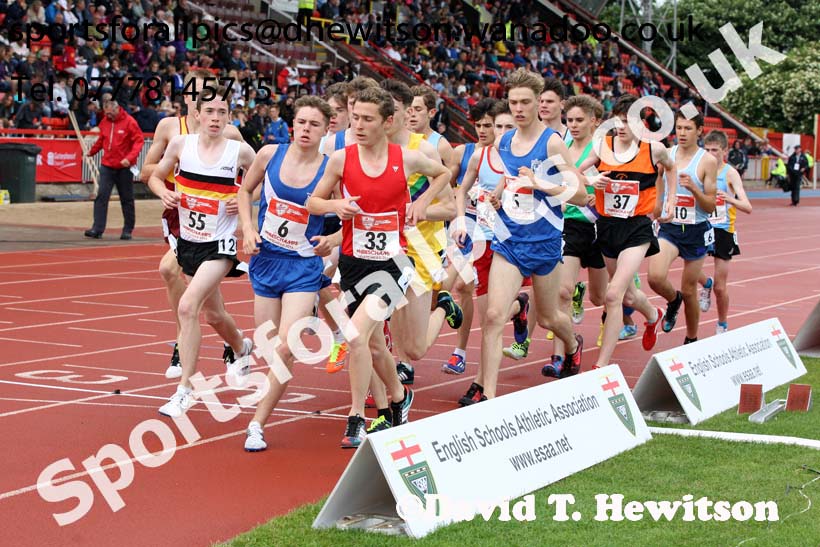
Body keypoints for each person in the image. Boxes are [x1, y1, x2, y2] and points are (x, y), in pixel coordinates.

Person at [306, 87, 451, 448]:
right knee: (371, 345)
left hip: (393, 263)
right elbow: (312, 202)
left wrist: (422, 203)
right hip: (355, 263)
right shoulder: (341, 159)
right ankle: (400, 398)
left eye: (367, 119)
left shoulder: (407, 158)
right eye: (355, 117)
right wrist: (337, 205)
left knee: (355, 334)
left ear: (387, 122)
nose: (358, 125)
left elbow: (443, 175)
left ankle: (355, 417)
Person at [469, 68, 587, 403]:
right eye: (513, 102)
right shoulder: (505, 141)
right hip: (509, 239)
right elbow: (510, 176)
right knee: (493, 316)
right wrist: (501, 191)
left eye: (525, 102)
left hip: (545, 241)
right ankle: (489, 397)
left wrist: (540, 185)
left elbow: (579, 195)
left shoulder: (550, 142)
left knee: (550, 317)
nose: (518, 109)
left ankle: (573, 343)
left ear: (539, 104)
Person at [148, 89, 257, 418]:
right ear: (197, 115)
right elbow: (153, 175)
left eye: (221, 113)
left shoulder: (240, 152)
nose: (215, 118)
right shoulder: (181, 146)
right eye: (209, 111)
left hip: (220, 246)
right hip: (189, 243)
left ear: (228, 118)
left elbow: (263, 185)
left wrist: (240, 199)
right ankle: (240, 346)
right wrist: (163, 195)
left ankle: (184, 389)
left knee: (187, 305)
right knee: (214, 315)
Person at [238, 96, 335, 452]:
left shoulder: (331, 168)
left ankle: (256, 424)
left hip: (303, 267)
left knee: (286, 349)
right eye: (300, 122)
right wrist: (247, 229)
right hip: (266, 260)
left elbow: (351, 216)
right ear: (291, 124)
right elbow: (245, 190)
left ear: (327, 129)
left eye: (313, 124)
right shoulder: (268, 155)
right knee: (266, 344)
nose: (305, 130)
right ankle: (249, 347)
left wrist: (333, 241)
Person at [579, 93, 677, 370]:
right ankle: (652, 314)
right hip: (607, 225)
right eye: (618, 121)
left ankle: (601, 366)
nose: (621, 127)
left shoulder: (653, 149)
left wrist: (668, 200)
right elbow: (575, 171)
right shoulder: (603, 146)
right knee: (630, 295)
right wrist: (590, 179)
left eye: (627, 122)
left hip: (637, 228)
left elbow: (671, 168)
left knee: (613, 295)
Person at [549, 94, 608, 374]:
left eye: (579, 120)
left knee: (601, 297)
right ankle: (559, 356)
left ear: (593, 122)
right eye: (569, 120)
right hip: (570, 224)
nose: (573, 125)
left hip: (599, 226)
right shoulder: (563, 147)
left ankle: (597, 306)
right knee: (562, 291)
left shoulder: (605, 150)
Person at [648, 110, 717, 345]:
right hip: (671, 227)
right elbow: (659, 179)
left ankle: (691, 338)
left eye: (688, 128)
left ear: (699, 130)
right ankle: (672, 300)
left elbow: (710, 206)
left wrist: (695, 189)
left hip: (696, 230)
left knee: (690, 291)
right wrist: (658, 204)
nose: (682, 133)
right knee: (655, 278)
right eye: (679, 128)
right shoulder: (667, 154)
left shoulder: (707, 161)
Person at [696, 130, 752, 334]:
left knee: (721, 287)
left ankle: (722, 324)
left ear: (725, 151)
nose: (710, 154)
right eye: (707, 149)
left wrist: (730, 199)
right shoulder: (700, 168)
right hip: (701, 226)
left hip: (723, 230)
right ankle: (706, 283)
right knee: (690, 273)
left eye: (715, 150)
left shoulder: (730, 173)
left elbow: (747, 206)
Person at [84, 98, 143, 240]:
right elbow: (101, 140)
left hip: (124, 167)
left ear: (117, 109)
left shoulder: (130, 122)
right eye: (106, 113)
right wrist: (91, 152)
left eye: (110, 113)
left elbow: (138, 142)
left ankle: (128, 229)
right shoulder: (105, 122)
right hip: (107, 166)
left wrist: (129, 158)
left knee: (126, 198)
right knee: (101, 196)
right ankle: (97, 228)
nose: (108, 116)